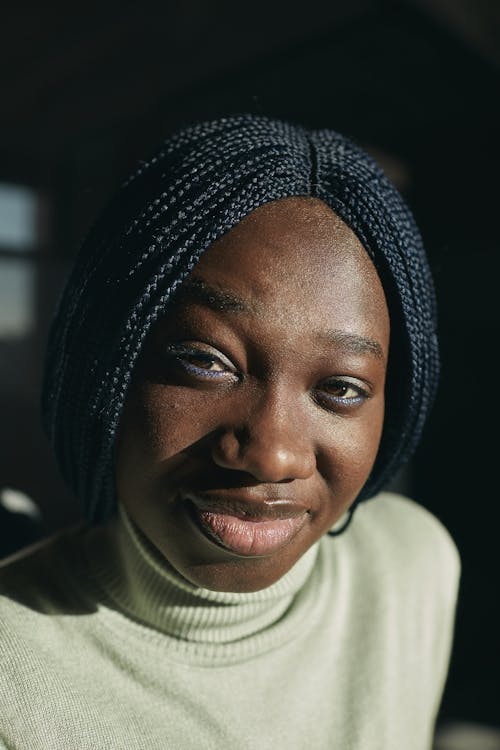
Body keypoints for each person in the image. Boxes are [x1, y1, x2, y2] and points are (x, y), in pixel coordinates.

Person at [0, 114, 459, 749]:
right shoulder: (13, 677)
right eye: (205, 362)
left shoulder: (412, 567)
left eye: (342, 389)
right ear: (107, 364)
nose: (271, 454)